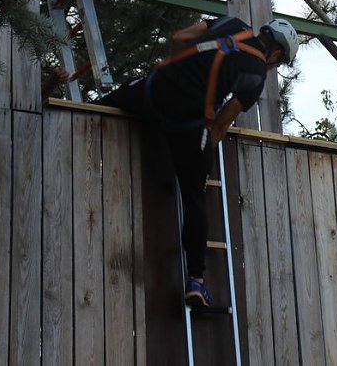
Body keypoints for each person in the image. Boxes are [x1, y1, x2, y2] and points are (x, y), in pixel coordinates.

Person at [98, 16, 298, 307]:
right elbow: (219, 126)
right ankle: (196, 280)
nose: (275, 66)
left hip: (157, 90)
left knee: (109, 103)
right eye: (279, 63)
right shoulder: (256, 76)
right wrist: (201, 157)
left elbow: (179, 37)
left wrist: (181, 77)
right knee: (194, 196)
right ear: (277, 54)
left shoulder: (231, 23)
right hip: (186, 123)